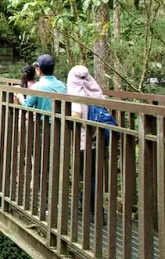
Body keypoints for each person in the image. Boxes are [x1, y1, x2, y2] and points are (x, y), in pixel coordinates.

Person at [67, 65, 106, 221]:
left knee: (88, 176)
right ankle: (95, 208)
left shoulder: (78, 94)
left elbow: (76, 116)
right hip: (99, 140)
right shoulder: (97, 93)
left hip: (84, 141)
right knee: (95, 177)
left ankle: (92, 211)